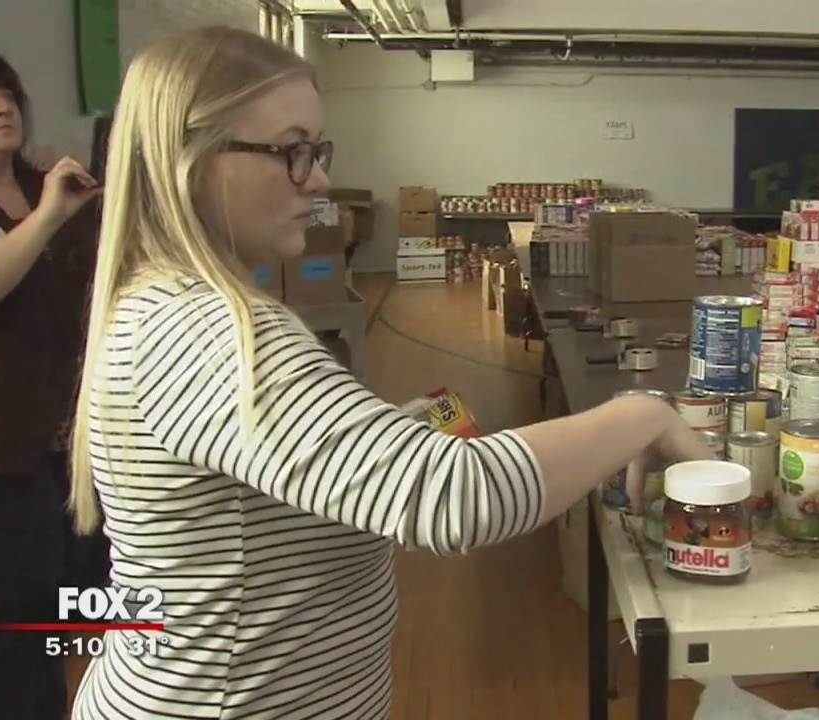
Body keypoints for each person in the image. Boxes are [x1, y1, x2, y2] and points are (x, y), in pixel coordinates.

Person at [66, 26, 713, 719]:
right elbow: (454, 496)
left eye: (319, 151)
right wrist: (641, 414)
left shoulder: (172, 310)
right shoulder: (209, 331)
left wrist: (382, 434)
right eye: (290, 151)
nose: (318, 179)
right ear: (190, 162)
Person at [0, 39, 107, 720]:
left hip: (70, 433)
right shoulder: (19, 199)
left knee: (75, 591)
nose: (2, 107)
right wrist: (45, 216)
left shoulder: (46, 181)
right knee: (24, 599)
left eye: (8, 94)